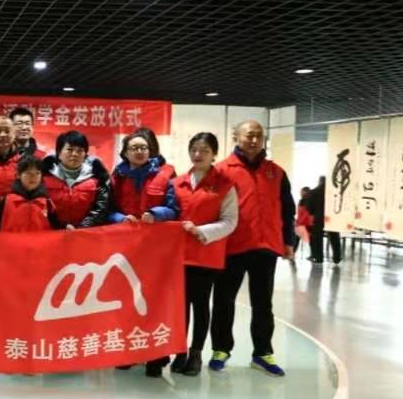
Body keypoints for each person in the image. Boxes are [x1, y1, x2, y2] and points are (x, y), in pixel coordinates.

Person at [210, 120, 296, 377]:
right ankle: (220, 350)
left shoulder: (276, 172)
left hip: (266, 247)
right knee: (224, 300)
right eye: (249, 135)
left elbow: (287, 209)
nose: (254, 140)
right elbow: (211, 207)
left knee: (263, 303)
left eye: (259, 136)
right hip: (231, 246)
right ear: (236, 137)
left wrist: (288, 241)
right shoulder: (221, 170)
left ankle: (262, 353)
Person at [109, 130, 180, 378]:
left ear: (151, 150)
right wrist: (120, 218)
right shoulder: (117, 176)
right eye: (134, 148)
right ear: (125, 152)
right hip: (125, 248)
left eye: (143, 148)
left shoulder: (167, 173)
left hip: (156, 250)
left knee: (156, 301)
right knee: (127, 299)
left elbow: (175, 208)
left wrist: (156, 214)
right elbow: (108, 208)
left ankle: (156, 355)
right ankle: (128, 351)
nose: (139, 152)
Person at [171, 132, 238, 377]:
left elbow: (230, 221)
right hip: (177, 256)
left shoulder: (225, 185)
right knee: (179, 306)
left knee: (200, 305)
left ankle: (196, 352)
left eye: (205, 150)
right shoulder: (177, 183)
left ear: (214, 154)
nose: (198, 155)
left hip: (205, 255)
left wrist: (201, 231)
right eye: (194, 150)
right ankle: (179, 351)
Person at [42, 130, 111, 228]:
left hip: (86, 233)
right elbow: (41, 206)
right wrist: (61, 227)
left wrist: (82, 228)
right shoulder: (44, 174)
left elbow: (101, 207)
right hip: (52, 232)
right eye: (69, 149)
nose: (74, 154)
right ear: (59, 153)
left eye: (80, 150)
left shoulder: (98, 176)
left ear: (85, 154)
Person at [0, 155, 61, 232]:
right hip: (11, 244)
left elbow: (58, 228)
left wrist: (66, 228)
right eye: (28, 173)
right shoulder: (6, 202)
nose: (33, 177)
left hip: (40, 244)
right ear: (18, 175)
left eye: (37, 173)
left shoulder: (47, 203)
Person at [306, 176, 342, 264]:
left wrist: (313, 213)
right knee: (334, 237)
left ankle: (319, 258)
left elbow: (309, 208)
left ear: (319, 181)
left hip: (318, 218)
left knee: (318, 238)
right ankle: (337, 257)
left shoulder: (313, 192)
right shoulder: (333, 192)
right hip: (331, 217)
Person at [295, 186, 313, 257]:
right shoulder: (301, 201)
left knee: (298, 237)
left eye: (302, 192)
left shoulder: (309, 201)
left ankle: (313, 254)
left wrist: (299, 222)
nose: (301, 193)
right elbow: (300, 213)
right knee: (296, 237)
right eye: (301, 192)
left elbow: (306, 214)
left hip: (307, 224)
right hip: (302, 223)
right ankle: (293, 252)